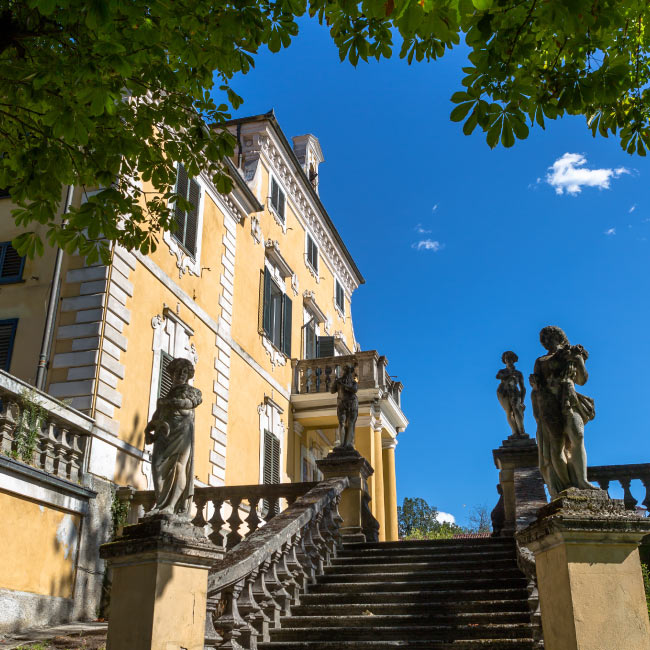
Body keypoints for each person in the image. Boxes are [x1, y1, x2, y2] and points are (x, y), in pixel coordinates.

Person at [530, 326, 596, 497]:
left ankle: (582, 480)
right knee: (556, 446)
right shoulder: (540, 361)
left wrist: (578, 360)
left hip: (568, 400)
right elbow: (537, 388)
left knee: (577, 434)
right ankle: (567, 486)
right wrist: (535, 384)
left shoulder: (569, 354)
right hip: (548, 404)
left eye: (548, 336)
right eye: (543, 338)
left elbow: (582, 380)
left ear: (558, 336)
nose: (545, 341)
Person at [144, 357, 202, 517]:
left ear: (189, 374)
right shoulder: (167, 395)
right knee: (157, 466)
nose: (181, 374)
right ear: (172, 373)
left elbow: (189, 404)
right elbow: (157, 415)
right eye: (177, 371)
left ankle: (171, 506)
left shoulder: (193, 392)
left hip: (182, 433)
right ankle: (160, 503)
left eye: (184, 372)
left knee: (178, 467)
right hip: (164, 434)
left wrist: (168, 402)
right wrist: (148, 429)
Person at [496, 351, 526, 438]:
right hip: (503, 392)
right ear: (504, 361)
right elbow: (498, 376)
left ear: (513, 360)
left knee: (517, 410)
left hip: (514, 392)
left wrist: (522, 401)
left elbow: (523, 388)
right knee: (508, 412)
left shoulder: (518, 373)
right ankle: (515, 432)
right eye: (506, 359)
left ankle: (521, 431)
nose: (508, 361)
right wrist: (509, 373)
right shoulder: (502, 371)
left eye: (510, 359)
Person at [331, 364, 358, 450]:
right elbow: (332, 391)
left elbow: (354, 389)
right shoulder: (339, 381)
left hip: (352, 403)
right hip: (341, 403)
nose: (346, 372)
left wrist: (344, 385)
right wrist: (335, 383)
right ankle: (342, 443)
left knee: (350, 423)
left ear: (350, 372)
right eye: (345, 370)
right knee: (341, 423)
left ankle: (348, 443)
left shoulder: (353, 382)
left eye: (348, 371)